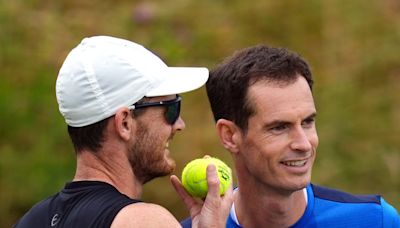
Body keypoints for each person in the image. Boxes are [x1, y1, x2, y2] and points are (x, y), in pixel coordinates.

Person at [14, 35, 233, 228]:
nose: (179, 124)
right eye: (171, 109)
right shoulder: (145, 222)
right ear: (125, 123)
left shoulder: (30, 220)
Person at [181, 45, 399, 227]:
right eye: (279, 127)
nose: (304, 144)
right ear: (230, 135)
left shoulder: (374, 221)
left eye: (307, 122)